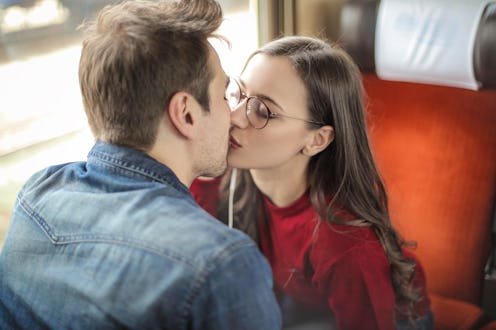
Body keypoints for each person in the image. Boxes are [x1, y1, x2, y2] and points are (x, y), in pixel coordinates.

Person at [0, 1, 282, 329]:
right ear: (186, 114)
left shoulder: (39, 191)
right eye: (223, 95)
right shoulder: (223, 267)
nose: (233, 114)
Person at [190, 36, 433, 330]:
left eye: (262, 111)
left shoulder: (343, 244)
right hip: (299, 294)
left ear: (316, 140)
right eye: (239, 94)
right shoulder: (229, 171)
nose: (235, 117)